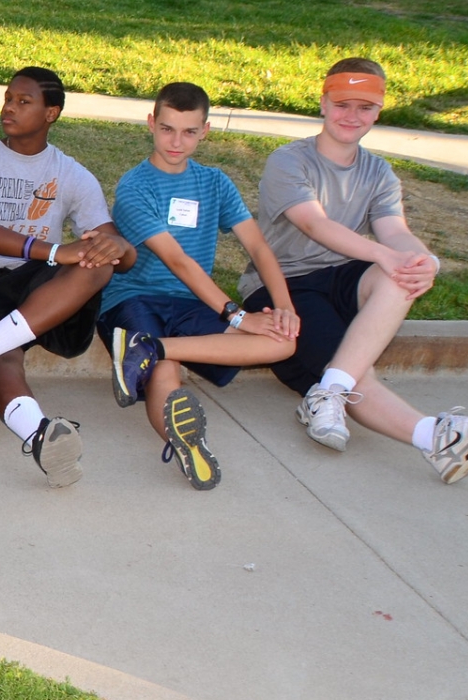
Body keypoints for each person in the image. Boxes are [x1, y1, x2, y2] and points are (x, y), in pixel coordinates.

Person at [244, 57, 468, 484]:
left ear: (379, 111)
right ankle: (438, 439)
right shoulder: (289, 161)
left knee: (401, 274)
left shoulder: (378, 171)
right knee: (358, 370)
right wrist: (384, 255)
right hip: (282, 287)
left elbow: (395, 231)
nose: (352, 116)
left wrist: (424, 262)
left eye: (365, 107)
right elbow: (316, 223)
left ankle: (328, 392)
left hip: (344, 279)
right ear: (322, 103)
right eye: (342, 104)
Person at [0, 67, 135, 488]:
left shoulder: (71, 173)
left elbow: (114, 246)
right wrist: (59, 250)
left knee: (101, 262)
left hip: (47, 289)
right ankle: (39, 435)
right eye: (7, 98)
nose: (9, 108)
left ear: (51, 113)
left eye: (24, 102)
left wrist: (122, 249)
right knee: (5, 352)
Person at [100, 81, 298, 491]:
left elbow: (259, 247)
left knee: (284, 341)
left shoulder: (215, 182)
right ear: (151, 123)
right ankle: (186, 442)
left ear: (205, 131)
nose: (177, 141)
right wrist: (237, 316)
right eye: (168, 128)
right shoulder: (134, 187)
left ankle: (148, 349)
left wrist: (284, 309)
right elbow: (177, 260)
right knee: (166, 372)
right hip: (135, 299)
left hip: (191, 303)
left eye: (189, 132)